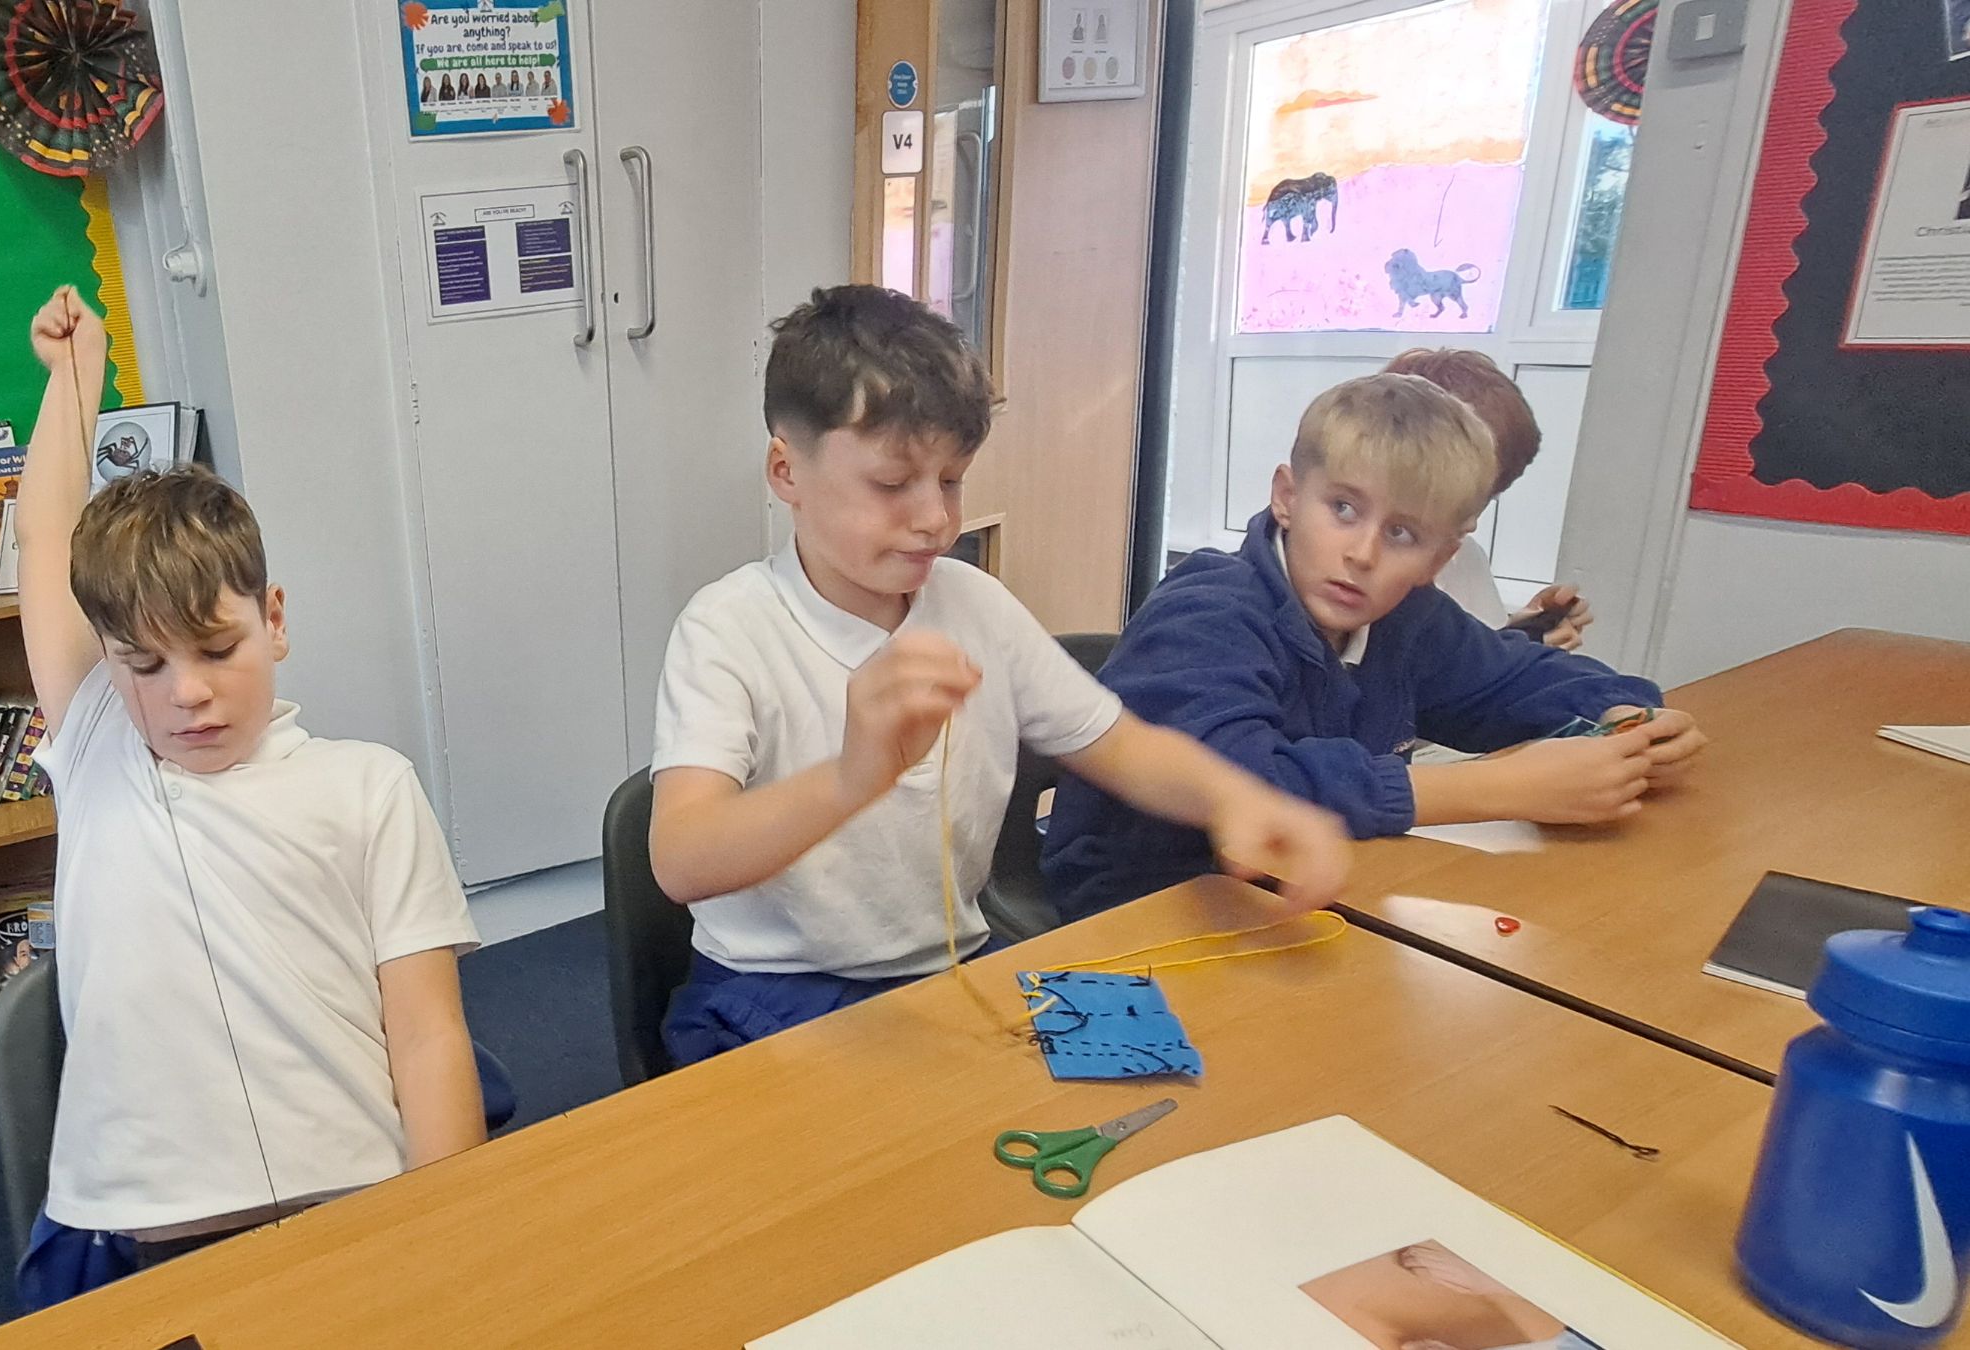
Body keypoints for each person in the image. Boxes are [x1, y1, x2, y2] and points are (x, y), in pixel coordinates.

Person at [645, 284, 1351, 1067]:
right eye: (892, 484)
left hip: (958, 969)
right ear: (786, 469)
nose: (934, 519)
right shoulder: (728, 628)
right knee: (923, 1138)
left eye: (951, 480)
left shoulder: (974, 604)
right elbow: (682, 858)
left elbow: (1123, 748)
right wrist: (852, 776)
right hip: (773, 992)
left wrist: (1241, 801)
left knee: (1179, 1065)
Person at [11, 287, 499, 1306]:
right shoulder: (103, 749)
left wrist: (455, 1227)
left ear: (273, 619)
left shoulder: (368, 787)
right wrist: (74, 381)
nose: (184, 692)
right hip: (147, 1244)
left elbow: (427, 1033)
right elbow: (48, 551)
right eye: (143, 664)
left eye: (215, 649)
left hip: (353, 1211)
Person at [1043, 373, 1708, 918]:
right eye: (1343, 509)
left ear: (1440, 557)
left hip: (1318, 886)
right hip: (1147, 900)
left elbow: (1515, 678)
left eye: (1402, 534)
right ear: (1287, 497)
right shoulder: (1207, 609)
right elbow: (1242, 784)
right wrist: (1494, 788)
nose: (1361, 554)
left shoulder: (1409, 620)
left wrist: (1625, 715)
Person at [1381, 348, 1592, 649]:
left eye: (1486, 500)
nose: (1472, 524)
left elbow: (1471, 653)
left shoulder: (1465, 557)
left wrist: (1519, 634)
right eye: (1454, 499)